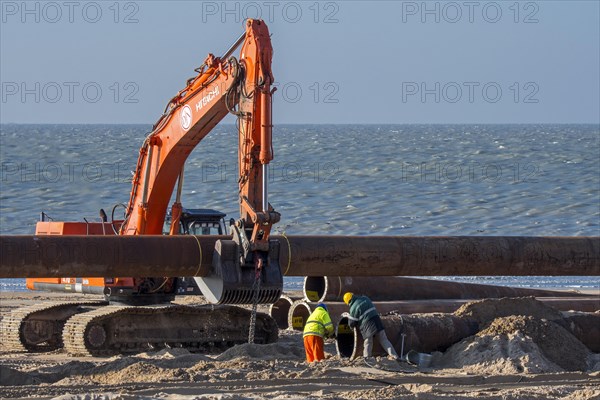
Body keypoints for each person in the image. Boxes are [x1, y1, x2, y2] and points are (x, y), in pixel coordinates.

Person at [343, 292, 400, 360]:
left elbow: (352, 323)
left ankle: (367, 358)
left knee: (368, 342)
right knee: (384, 339)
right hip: (377, 321)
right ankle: (394, 356)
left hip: (367, 325)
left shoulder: (353, 307)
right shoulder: (365, 298)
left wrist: (348, 316)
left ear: (348, 302)